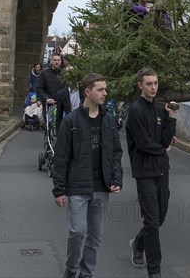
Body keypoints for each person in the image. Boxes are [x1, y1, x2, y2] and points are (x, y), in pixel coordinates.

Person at [52, 73, 123, 278]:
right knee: (77, 231)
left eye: (105, 89)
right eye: (100, 89)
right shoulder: (71, 121)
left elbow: (116, 154)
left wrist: (116, 179)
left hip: (102, 186)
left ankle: (87, 273)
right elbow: (61, 157)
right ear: (87, 92)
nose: (105, 93)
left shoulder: (108, 121)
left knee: (95, 236)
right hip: (77, 186)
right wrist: (59, 190)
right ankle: (71, 268)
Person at [126, 67, 177, 278]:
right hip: (144, 172)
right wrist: (162, 148)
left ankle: (138, 244)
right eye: (149, 84)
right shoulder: (135, 111)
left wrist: (171, 117)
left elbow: (165, 139)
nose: (153, 87)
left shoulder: (159, 110)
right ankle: (154, 270)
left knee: (160, 217)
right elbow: (144, 144)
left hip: (162, 170)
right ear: (140, 85)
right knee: (152, 220)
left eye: (155, 83)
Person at [36, 53, 70, 125]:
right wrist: (46, 99)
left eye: (58, 60)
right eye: (54, 60)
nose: (56, 62)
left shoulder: (64, 74)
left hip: (61, 103)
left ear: (61, 61)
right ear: (51, 61)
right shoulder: (44, 73)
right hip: (49, 103)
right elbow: (39, 88)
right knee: (49, 125)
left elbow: (67, 88)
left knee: (61, 126)